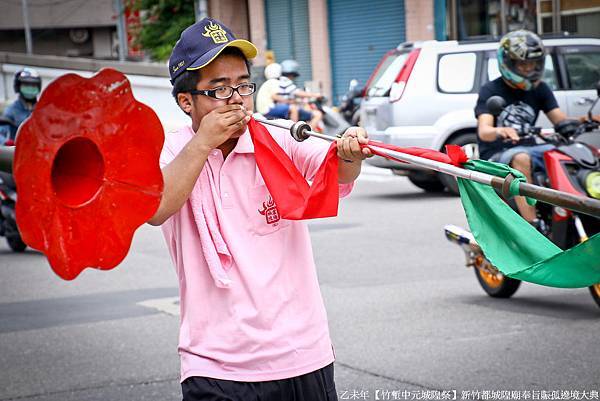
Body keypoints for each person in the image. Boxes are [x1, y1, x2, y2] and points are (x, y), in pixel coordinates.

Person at [147, 17, 371, 401]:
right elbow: (156, 207)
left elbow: (335, 171)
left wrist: (351, 151)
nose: (236, 98)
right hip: (213, 362)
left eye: (242, 85)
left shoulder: (278, 137)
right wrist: (203, 144)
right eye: (219, 89)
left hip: (303, 353)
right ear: (187, 101)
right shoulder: (169, 150)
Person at [475, 30, 570, 231]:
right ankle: (532, 226)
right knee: (521, 158)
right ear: (508, 62)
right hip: (497, 153)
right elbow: (484, 131)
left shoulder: (540, 88)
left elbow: (560, 120)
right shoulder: (491, 91)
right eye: (522, 64)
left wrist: (587, 120)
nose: (528, 69)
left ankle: (571, 215)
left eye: (532, 64)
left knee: (572, 152)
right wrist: (500, 130)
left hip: (531, 147)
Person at [267, 59, 324, 128]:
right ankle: (307, 134)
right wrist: (315, 95)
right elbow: (297, 92)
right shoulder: (285, 81)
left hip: (282, 108)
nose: (293, 78)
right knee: (318, 114)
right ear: (292, 73)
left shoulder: (278, 81)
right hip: (287, 109)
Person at [0, 68, 41, 145]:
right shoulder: (11, 110)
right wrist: (7, 142)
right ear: (18, 86)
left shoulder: (43, 110)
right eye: (26, 85)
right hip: (18, 151)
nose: (30, 88)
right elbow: (0, 133)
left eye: (33, 85)